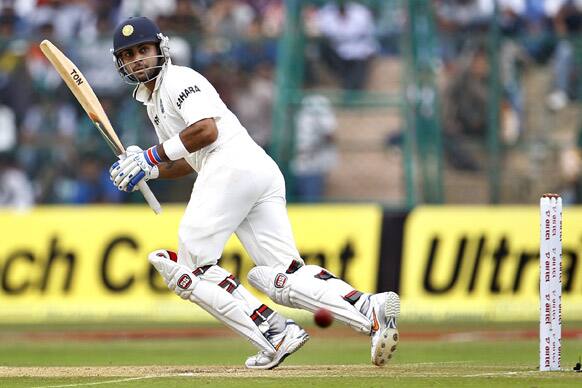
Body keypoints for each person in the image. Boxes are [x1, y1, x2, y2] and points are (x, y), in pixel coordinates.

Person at [107, 16, 399, 369]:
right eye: (129, 54)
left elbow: (206, 132)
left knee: (190, 269)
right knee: (283, 276)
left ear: (160, 49)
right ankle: (370, 307)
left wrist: (152, 155)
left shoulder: (179, 79)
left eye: (143, 50)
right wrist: (149, 170)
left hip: (231, 165)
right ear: (120, 63)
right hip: (251, 169)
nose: (137, 59)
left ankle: (273, 332)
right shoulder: (153, 104)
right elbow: (189, 158)